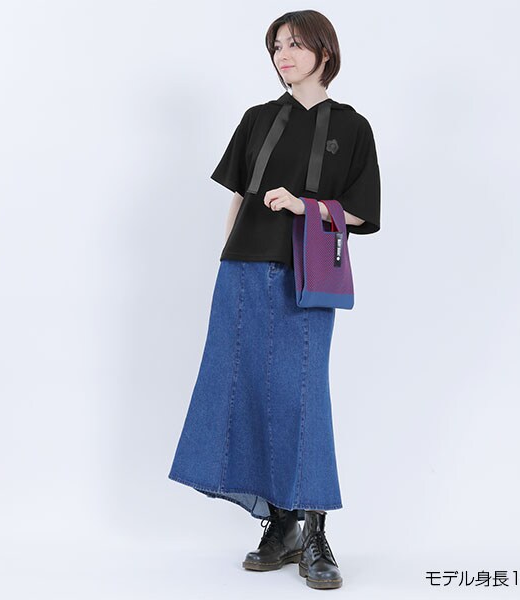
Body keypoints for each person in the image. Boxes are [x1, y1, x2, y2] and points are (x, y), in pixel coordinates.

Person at [168, 9, 381, 590]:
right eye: (276, 47)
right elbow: (238, 196)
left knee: (302, 398)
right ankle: (281, 525)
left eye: (294, 45)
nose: (283, 56)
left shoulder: (353, 127)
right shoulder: (257, 118)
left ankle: (315, 531)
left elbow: (362, 213)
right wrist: (225, 259)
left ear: (324, 52)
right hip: (240, 271)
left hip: (306, 279)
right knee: (245, 391)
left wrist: (303, 206)